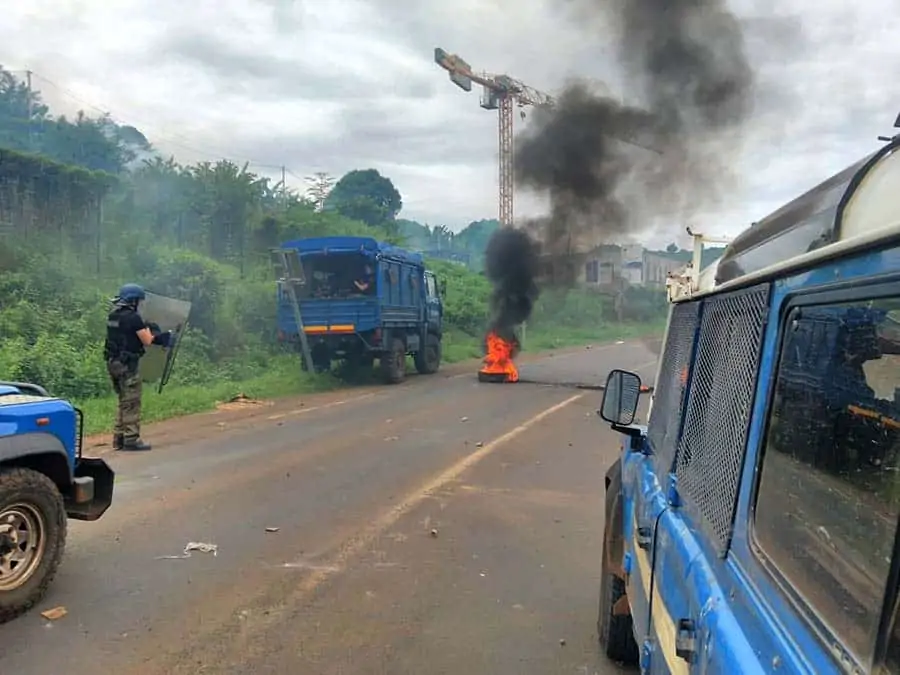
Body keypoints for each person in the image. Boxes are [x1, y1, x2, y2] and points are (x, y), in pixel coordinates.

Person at [104, 284, 173, 451]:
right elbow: (147, 340)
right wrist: (165, 337)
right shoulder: (133, 318)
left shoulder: (113, 316)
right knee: (132, 401)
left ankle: (119, 439)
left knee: (123, 401)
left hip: (113, 363)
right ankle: (131, 439)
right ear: (134, 300)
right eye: (139, 300)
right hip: (127, 365)